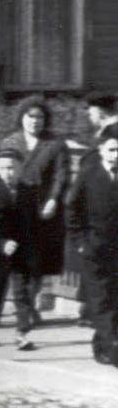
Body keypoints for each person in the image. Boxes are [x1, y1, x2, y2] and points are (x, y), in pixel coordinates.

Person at [0, 98, 71, 351]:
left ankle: (27, 311)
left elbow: (62, 175)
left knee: (38, 268)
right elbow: (2, 173)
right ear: (21, 118)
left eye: (39, 117)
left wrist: (53, 200)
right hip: (17, 212)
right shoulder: (10, 142)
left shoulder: (55, 145)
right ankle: (23, 323)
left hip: (44, 215)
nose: (34, 121)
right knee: (20, 269)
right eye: (30, 116)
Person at [68, 127, 118, 365]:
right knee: (100, 298)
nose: (116, 154)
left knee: (114, 298)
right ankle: (112, 348)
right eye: (112, 149)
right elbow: (71, 209)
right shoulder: (88, 174)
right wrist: (80, 242)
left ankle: (103, 344)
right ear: (101, 150)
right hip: (94, 249)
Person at [0, 149, 25, 347]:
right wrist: (1, 242)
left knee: (22, 292)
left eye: (11, 168)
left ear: (20, 168)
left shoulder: (29, 192)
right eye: (1, 168)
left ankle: (22, 332)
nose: (6, 172)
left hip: (23, 249)